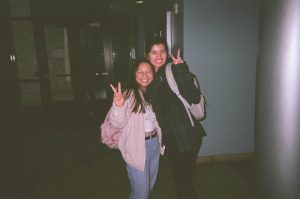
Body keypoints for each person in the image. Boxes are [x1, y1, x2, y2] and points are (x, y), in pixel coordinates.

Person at [146, 36, 206, 199]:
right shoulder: (150, 79)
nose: (159, 56)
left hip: (186, 135)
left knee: (183, 183)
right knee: (181, 181)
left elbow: (194, 97)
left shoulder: (172, 70)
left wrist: (180, 68)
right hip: (171, 139)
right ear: (147, 55)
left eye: (162, 51)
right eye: (154, 52)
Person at [108, 58, 165, 199]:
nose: (144, 75)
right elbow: (117, 123)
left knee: (148, 187)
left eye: (148, 72)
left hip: (154, 145)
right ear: (134, 74)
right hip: (137, 147)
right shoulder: (129, 94)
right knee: (142, 194)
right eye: (140, 71)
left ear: (153, 74)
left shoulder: (151, 93)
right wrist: (119, 106)